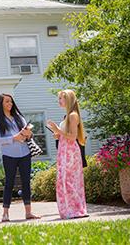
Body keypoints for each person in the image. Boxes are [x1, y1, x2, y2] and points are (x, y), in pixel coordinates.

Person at [0, 93, 40, 222]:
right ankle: (5, 213)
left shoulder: (19, 117)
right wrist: (14, 138)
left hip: (25, 153)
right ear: (1, 104)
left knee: (26, 182)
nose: (10, 104)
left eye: (11, 102)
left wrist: (28, 134)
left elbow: (29, 136)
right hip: (9, 155)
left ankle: (28, 213)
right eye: (7, 102)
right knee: (9, 183)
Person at [47, 89, 89, 219]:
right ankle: (68, 210)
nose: (59, 101)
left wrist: (58, 130)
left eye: (61, 98)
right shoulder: (67, 116)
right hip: (64, 151)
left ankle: (76, 210)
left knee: (70, 181)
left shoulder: (73, 115)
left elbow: (72, 137)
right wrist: (57, 135)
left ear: (68, 99)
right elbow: (65, 136)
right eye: (59, 98)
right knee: (63, 180)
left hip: (71, 153)